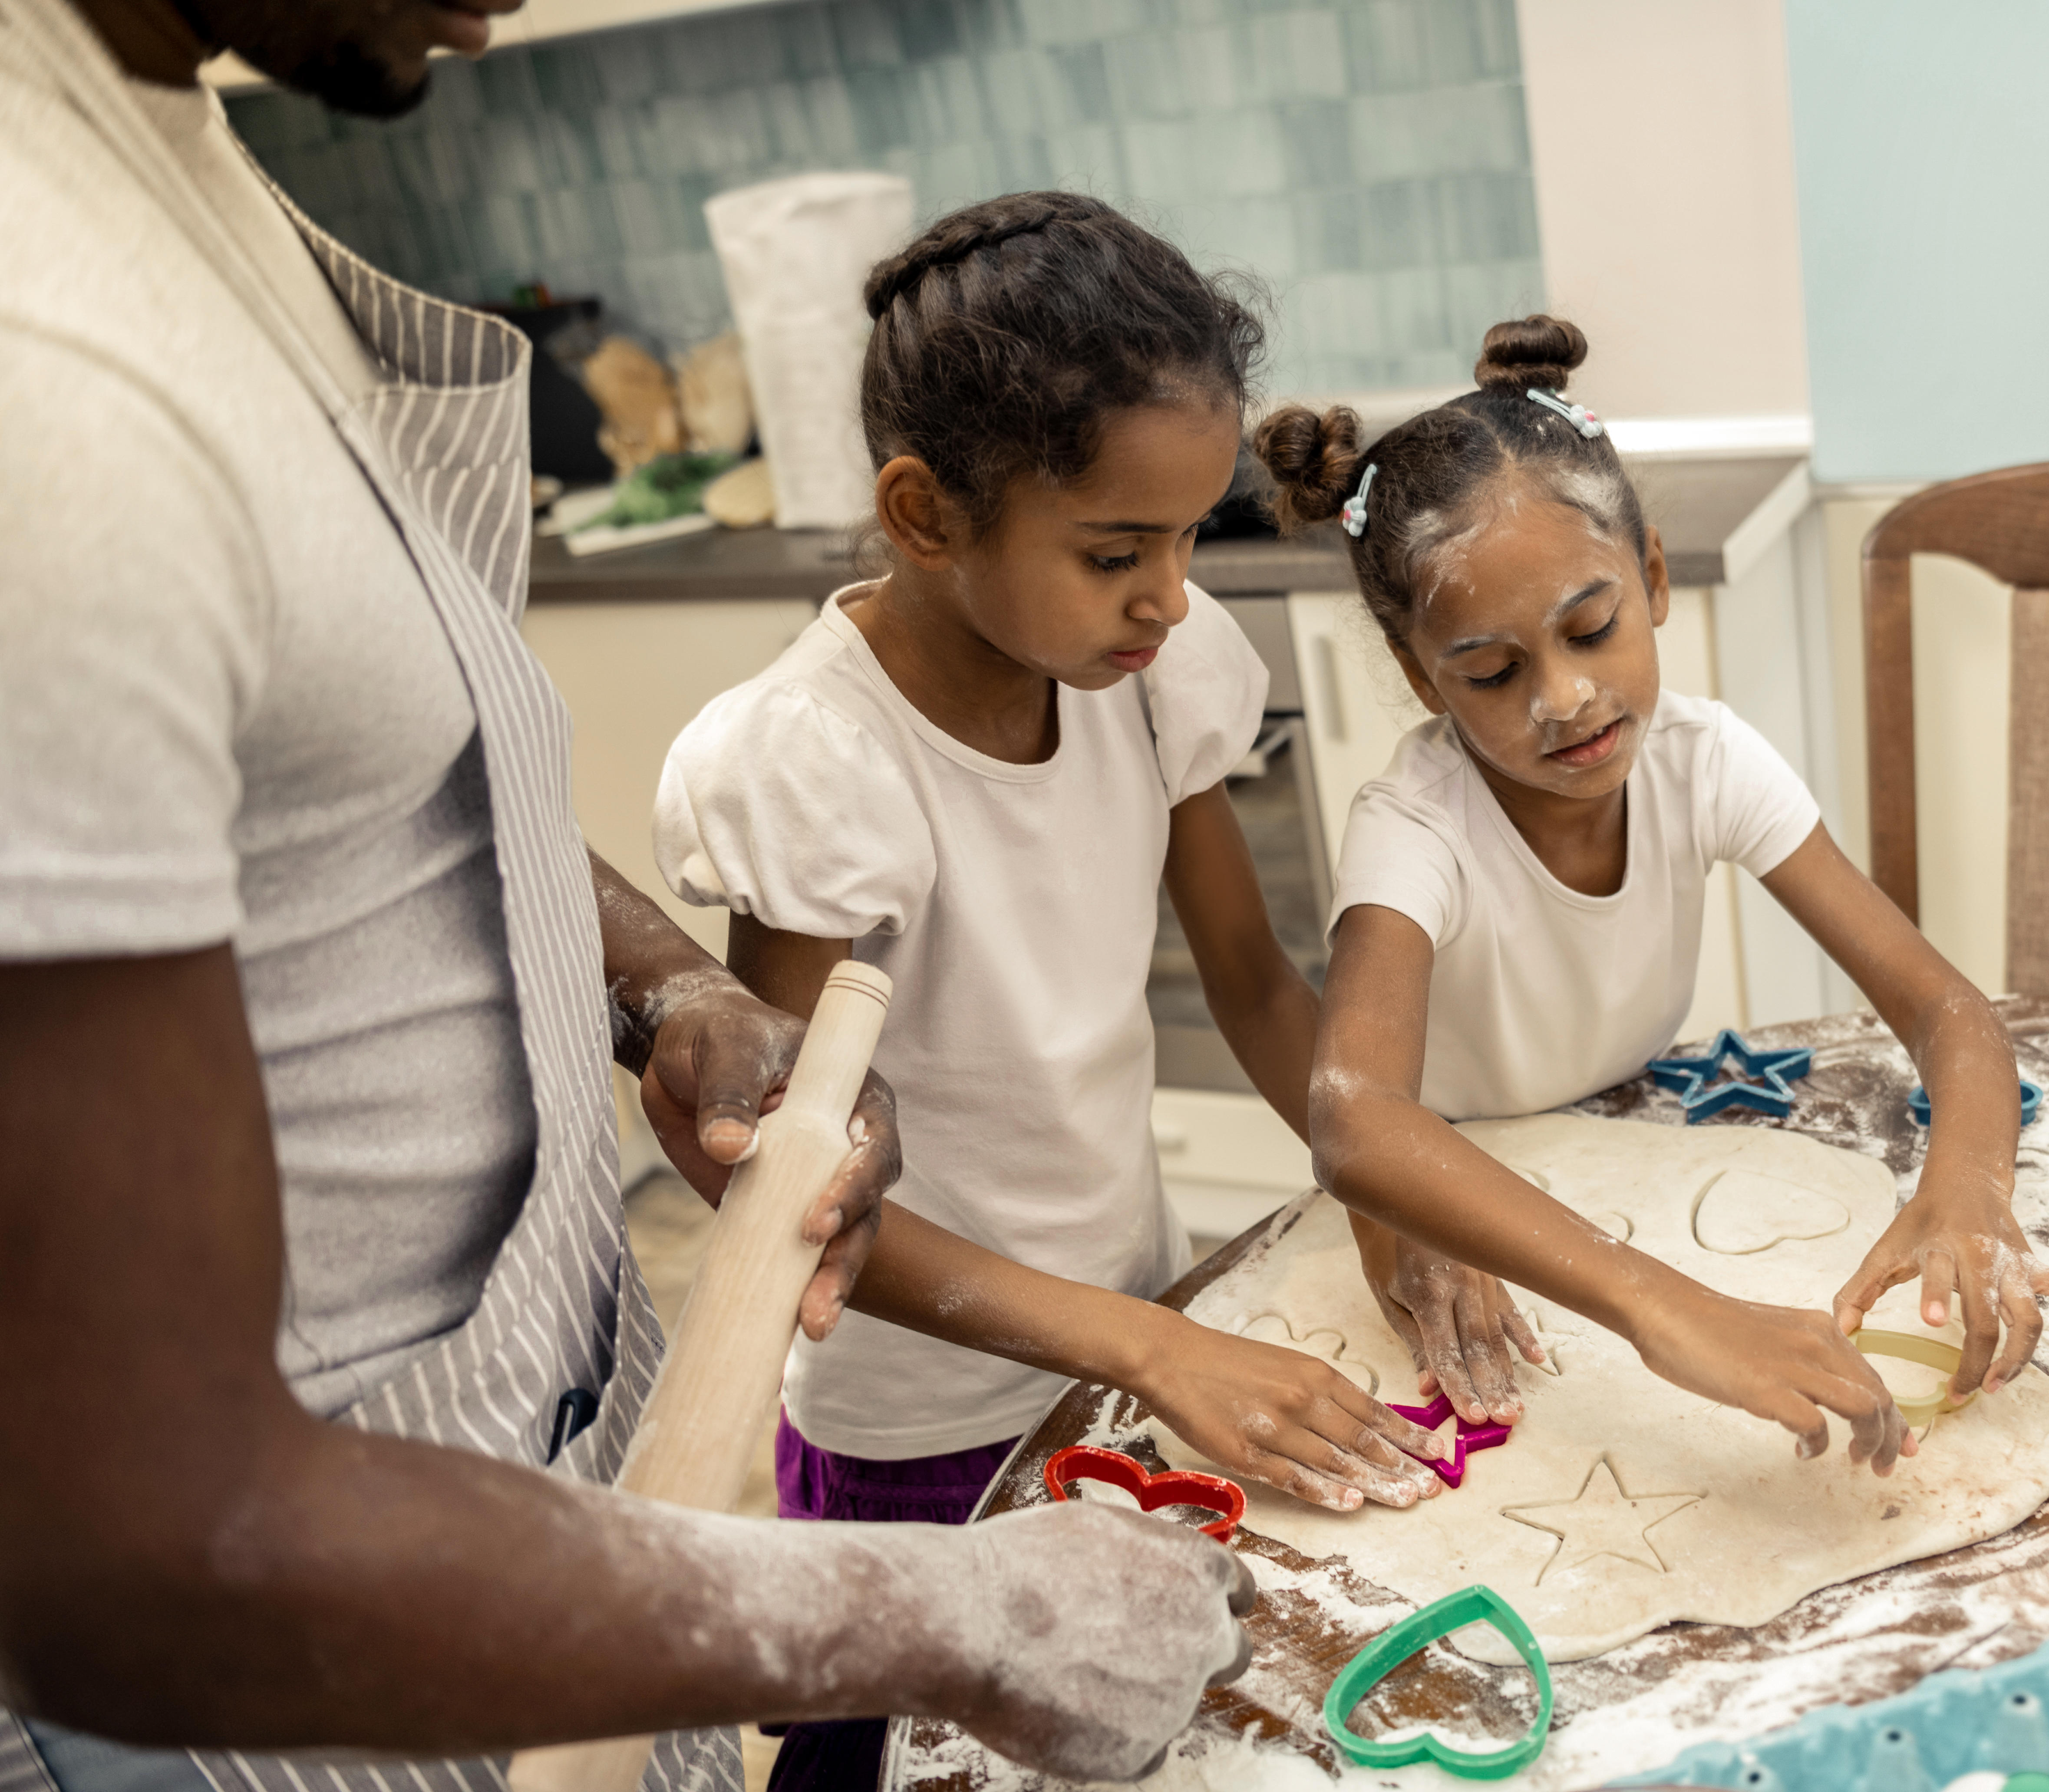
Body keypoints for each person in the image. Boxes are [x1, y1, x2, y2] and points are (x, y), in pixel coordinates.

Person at [0, 6, 1251, 1790]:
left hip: (544, 1512)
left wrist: (666, 984)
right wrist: (957, 1618)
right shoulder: (38, 348)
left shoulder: (155, 148)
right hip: (269, 1682)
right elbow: (136, 1542)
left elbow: (366, 771)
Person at [651, 191, 1539, 1792]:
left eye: (1194, 537)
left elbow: (1265, 991)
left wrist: (1395, 1199)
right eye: (1118, 551)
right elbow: (791, 1201)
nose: (1171, 596)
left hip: (1121, 1347)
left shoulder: (1146, 685)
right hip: (923, 1435)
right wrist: (1150, 1346)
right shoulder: (820, 764)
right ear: (927, 516)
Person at [1258, 316, 2049, 1473]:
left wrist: (1965, 1189)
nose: (1565, 698)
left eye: (1592, 629)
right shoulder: (1414, 828)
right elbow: (1356, 1118)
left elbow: (1947, 1011)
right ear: (1421, 677)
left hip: (1634, 1139)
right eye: (1495, 673)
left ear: (1652, 578)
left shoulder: (1706, 761)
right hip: (1463, 1207)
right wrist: (1665, 1309)